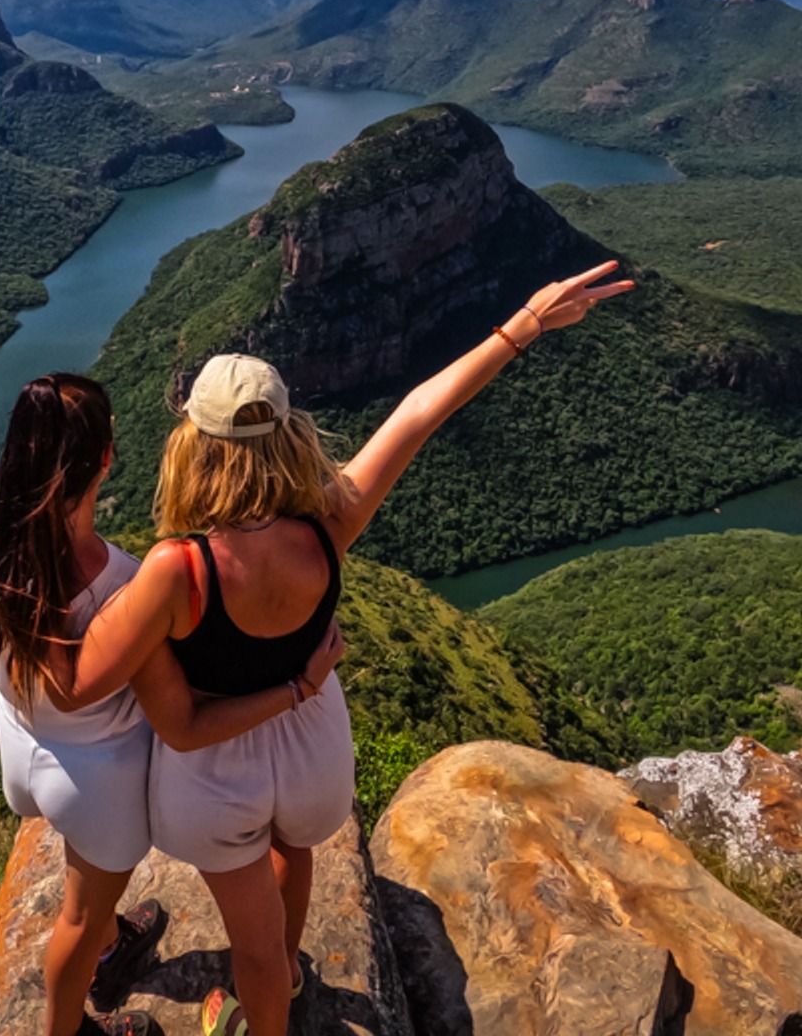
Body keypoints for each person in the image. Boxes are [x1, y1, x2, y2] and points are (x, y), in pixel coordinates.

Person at [61, 260, 635, 1036]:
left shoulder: (176, 570)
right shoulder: (331, 526)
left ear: (194, 446)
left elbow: (87, 683)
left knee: (250, 945)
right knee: (293, 854)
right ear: (289, 432)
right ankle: (288, 977)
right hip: (312, 755)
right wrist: (525, 323)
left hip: (214, 770)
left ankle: (259, 1004)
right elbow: (419, 412)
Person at [0, 192, 345, 1036]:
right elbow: (181, 708)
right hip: (92, 785)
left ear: (19, 458)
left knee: (84, 909)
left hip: (21, 754)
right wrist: (295, 682)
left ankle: (106, 945)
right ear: (107, 460)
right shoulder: (137, 583)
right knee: (74, 918)